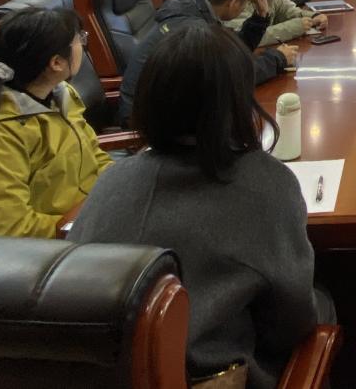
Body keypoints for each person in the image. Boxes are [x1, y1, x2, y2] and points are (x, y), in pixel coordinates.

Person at [70, 23, 332, 388]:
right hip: (211, 376)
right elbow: (292, 323)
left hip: (102, 374)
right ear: (236, 102)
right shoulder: (265, 183)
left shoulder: (111, 181)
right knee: (324, 304)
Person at [0, 7, 112, 237]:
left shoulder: (59, 94)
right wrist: (89, 222)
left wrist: (122, 190)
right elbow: (10, 232)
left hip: (90, 218)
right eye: (80, 39)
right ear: (56, 63)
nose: (83, 45)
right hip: (55, 247)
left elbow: (94, 157)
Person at [119, 0, 288, 124]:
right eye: (248, 2)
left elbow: (229, 52)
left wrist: (260, 18)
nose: (246, 6)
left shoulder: (192, 7)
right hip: (148, 123)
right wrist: (278, 57)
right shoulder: (193, 29)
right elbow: (234, 75)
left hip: (166, 107)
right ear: (235, 3)